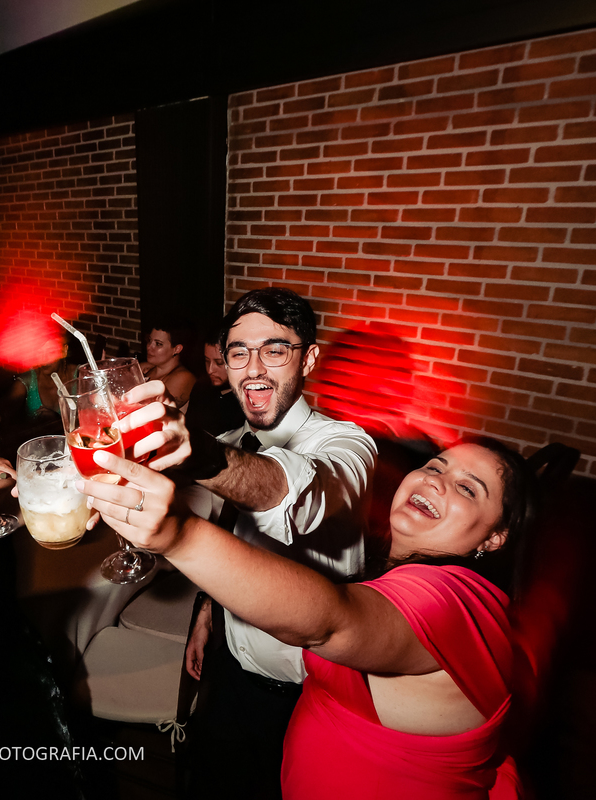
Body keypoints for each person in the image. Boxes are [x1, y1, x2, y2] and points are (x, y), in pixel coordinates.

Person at [78, 437, 536, 799]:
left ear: (495, 538)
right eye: (436, 465)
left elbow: (329, 621)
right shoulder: (400, 568)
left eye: (467, 488)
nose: (437, 481)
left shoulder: (454, 603)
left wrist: (179, 535)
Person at [175, 288, 376, 799]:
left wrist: (195, 457)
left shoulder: (347, 445)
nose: (253, 368)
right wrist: (207, 610)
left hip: (309, 699)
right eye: (239, 352)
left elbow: (297, 492)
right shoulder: (228, 442)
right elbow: (226, 536)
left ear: (308, 357)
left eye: (274, 350)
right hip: (228, 669)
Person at [185, 325, 245, 437]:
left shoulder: (246, 400)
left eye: (219, 363)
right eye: (207, 361)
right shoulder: (201, 387)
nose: (210, 370)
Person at [140, 323, 197, 407]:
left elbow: (158, 411)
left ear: (177, 349)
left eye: (158, 344)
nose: (149, 347)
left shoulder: (184, 377)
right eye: (149, 340)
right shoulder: (145, 368)